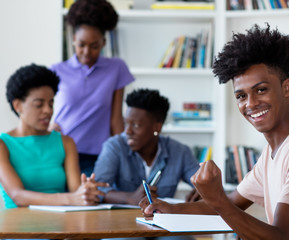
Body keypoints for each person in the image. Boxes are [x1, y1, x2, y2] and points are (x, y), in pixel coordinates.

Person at [140, 24, 289, 239]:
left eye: (261, 90)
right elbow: (233, 202)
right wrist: (168, 207)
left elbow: (280, 237)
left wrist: (217, 198)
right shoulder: (273, 153)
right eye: (241, 96)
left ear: (287, 88)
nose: (251, 103)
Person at [0, 64, 107, 209]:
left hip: (60, 226)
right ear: (18, 105)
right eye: (39, 104)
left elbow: (76, 192)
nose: (48, 111)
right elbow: (18, 196)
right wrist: (70, 199)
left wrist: (85, 192)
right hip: (18, 226)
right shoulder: (3, 144)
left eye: (51, 103)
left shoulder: (66, 142)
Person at [50, 0, 135, 176]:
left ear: (104, 42)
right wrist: (49, 125)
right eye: (81, 44)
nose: (87, 52)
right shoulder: (56, 70)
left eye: (94, 46)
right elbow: (44, 109)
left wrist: (123, 156)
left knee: (94, 200)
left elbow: (116, 119)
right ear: (73, 39)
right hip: (59, 152)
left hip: (97, 156)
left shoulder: (116, 68)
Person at [94, 88, 200, 206]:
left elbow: (203, 183)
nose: (127, 131)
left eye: (135, 125)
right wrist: (129, 198)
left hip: (161, 220)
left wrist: (203, 191)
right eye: (126, 123)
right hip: (121, 219)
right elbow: (96, 190)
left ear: (157, 127)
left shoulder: (180, 152)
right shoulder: (114, 146)